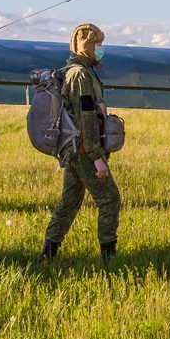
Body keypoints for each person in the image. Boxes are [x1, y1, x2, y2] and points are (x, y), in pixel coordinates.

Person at [40, 23, 122, 262]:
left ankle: (48, 253)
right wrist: (97, 157)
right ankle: (109, 256)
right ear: (86, 47)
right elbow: (86, 117)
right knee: (109, 199)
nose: (101, 50)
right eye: (98, 46)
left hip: (76, 148)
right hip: (83, 148)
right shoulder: (80, 76)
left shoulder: (80, 72)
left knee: (70, 201)